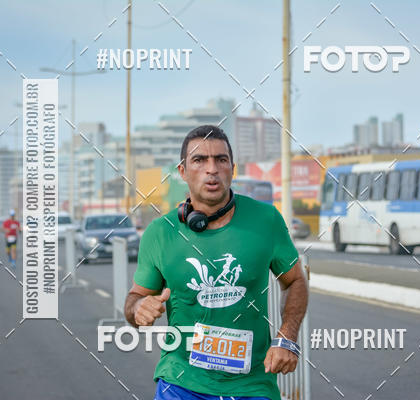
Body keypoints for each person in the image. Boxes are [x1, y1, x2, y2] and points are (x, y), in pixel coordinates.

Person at [124, 125, 309, 400]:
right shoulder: (160, 233)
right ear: (183, 171)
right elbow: (134, 300)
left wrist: (287, 337)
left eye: (221, 160)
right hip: (180, 382)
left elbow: (295, 281)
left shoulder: (266, 220)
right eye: (199, 160)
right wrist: (138, 308)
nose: (211, 169)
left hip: (252, 385)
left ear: (232, 169)